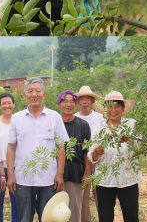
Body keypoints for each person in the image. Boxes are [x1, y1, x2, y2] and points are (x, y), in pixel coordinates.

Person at [7, 77, 69, 222]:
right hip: (23, 178)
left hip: (48, 178)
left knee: (48, 218)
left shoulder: (54, 117)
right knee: (24, 218)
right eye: (30, 91)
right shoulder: (17, 118)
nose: (34, 94)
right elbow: (11, 148)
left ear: (44, 94)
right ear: (24, 95)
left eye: (37, 91)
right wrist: (11, 175)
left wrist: (59, 174)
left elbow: (61, 147)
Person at [88, 92, 142, 222]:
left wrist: (129, 140)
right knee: (105, 216)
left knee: (131, 215)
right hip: (105, 179)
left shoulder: (131, 124)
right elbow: (91, 155)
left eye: (117, 106)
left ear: (123, 109)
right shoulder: (98, 128)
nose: (113, 110)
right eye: (109, 106)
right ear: (105, 109)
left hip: (128, 177)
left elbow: (139, 145)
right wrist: (96, 152)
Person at [56, 90, 91, 222]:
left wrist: (86, 173)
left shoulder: (83, 125)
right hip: (56, 172)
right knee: (57, 209)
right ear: (59, 104)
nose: (68, 104)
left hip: (76, 171)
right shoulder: (54, 123)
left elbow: (86, 151)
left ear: (75, 105)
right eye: (65, 101)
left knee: (74, 210)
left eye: (72, 101)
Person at [73, 86, 103, 222]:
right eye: (81, 99)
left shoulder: (100, 118)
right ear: (78, 102)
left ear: (92, 101)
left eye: (87, 99)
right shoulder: (74, 119)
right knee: (83, 199)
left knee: (102, 197)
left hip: (99, 162)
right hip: (81, 162)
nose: (84, 102)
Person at [0, 93, 20, 222]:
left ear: (13, 104)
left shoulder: (19, 120)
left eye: (9, 103)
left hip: (17, 167)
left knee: (17, 201)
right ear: (0, 106)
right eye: (4, 103)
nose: (7, 105)